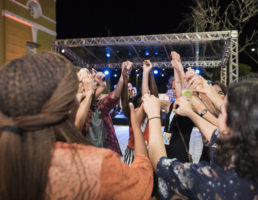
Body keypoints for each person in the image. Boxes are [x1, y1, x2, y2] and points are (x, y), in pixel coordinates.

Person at [0, 52, 153, 200]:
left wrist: (117, 80)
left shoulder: (9, 152)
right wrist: (135, 121)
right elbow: (142, 183)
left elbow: (113, 97)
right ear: (66, 103)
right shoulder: (97, 166)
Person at [142, 77, 258, 199]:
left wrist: (154, 116)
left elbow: (159, 163)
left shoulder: (216, 181)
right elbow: (214, 133)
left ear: (234, 125)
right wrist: (197, 104)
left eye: (222, 112)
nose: (217, 119)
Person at [82, 65, 126, 156]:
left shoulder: (99, 106)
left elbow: (115, 96)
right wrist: (100, 86)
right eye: (89, 76)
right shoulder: (77, 107)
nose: (93, 77)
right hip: (86, 156)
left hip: (103, 155)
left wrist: (123, 75)